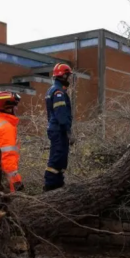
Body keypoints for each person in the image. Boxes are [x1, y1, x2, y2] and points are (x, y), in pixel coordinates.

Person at [43, 63, 76, 192]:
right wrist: (68, 131)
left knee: (61, 158)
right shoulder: (58, 92)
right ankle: (50, 185)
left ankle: (58, 184)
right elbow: (60, 114)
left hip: (56, 129)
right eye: (68, 76)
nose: (69, 79)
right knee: (57, 157)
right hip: (59, 130)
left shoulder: (53, 90)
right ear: (63, 75)